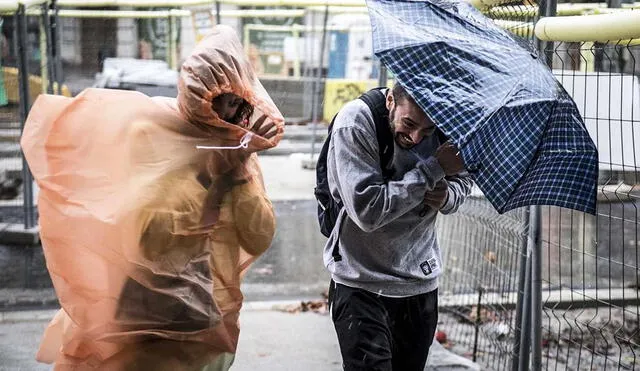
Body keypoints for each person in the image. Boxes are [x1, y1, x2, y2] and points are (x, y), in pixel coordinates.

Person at [23, 25, 284, 370]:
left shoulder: (235, 148)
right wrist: (217, 175)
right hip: (141, 308)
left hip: (196, 308)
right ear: (202, 93)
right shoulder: (153, 130)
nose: (237, 116)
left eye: (241, 103)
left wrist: (237, 172)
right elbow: (149, 232)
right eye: (229, 102)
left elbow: (259, 236)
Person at [324, 83, 473, 371]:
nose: (416, 137)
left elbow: (463, 180)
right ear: (391, 100)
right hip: (361, 283)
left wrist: (447, 197)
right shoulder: (355, 123)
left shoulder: (450, 125)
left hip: (419, 282)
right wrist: (432, 170)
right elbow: (366, 211)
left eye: (427, 132)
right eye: (409, 123)